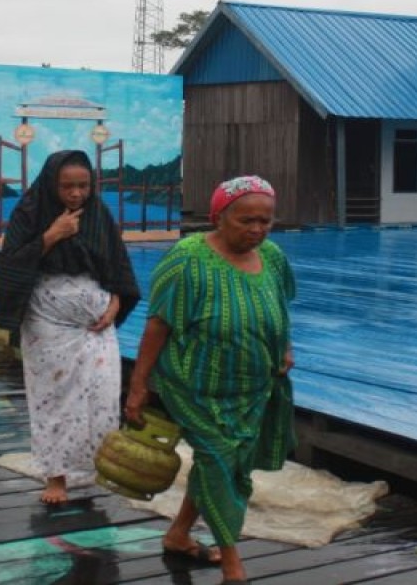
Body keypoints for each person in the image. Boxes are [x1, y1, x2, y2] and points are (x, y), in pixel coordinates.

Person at [124, 175, 296, 585]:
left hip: (251, 387)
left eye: (265, 221)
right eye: (246, 220)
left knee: (226, 463)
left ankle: (179, 534)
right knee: (219, 461)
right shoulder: (187, 259)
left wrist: (285, 347)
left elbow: (279, 305)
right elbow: (158, 323)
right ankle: (233, 562)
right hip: (194, 385)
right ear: (219, 217)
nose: (257, 229)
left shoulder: (272, 257)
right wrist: (138, 385)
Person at [0, 150, 141, 505]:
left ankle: (93, 468)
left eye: (83, 186)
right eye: (67, 186)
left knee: (102, 395)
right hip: (48, 322)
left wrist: (117, 301)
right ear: (51, 184)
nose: (76, 194)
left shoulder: (98, 213)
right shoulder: (30, 213)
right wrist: (51, 236)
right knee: (55, 398)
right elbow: (7, 264)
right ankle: (56, 476)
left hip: (95, 324)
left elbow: (117, 262)